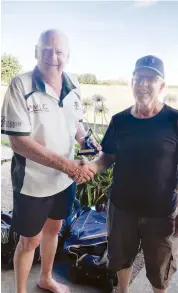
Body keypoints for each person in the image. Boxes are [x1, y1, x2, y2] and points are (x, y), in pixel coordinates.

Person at [1, 29, 100, 293]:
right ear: (36, 52)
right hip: (32, 182)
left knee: (54, 229)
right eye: (46, 49)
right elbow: (19, 142)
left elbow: (77, 124)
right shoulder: (20, 85)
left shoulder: (74, 84)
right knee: (29, 240)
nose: (52, 56)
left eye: (59, 51)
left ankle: (46, 278)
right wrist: (68, 165)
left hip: (63, 180)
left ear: (67, 56)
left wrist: (89, 144)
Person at [74, 55, 178, 293]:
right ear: (132, 82)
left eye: (150, 79)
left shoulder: (174, 120)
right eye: (139, 78)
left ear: (161, 86)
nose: (143, 84)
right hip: (122, 209)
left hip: (161, 213)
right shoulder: (119, 121)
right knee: (121, 259)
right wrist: (91, 167)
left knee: (159, 269)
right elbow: (107, 156)